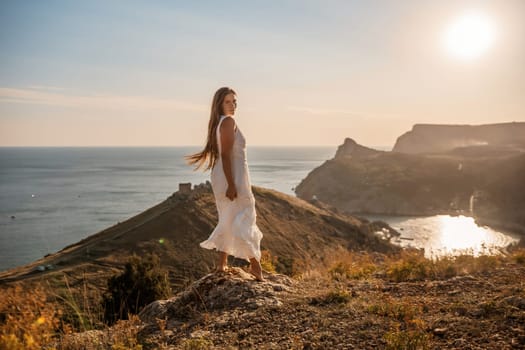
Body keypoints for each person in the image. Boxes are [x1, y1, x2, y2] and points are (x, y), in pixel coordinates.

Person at [185, 87, 264, 281]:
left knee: (228, 216)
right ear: (220, 104)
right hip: (232, 176)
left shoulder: (220, 122)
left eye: (235, 101)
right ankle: (255, 265)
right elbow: (227, 155)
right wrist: (231, 184)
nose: (233, 105)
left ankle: (221, 264)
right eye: (228, 102)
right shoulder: (228, 122)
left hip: (227, 175)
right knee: (244, 216)